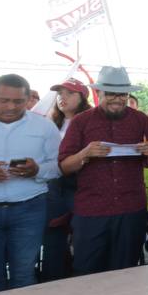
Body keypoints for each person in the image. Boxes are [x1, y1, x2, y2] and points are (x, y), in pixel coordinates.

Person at [58, 67, 148, 275]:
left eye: (122, 94)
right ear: (99, 94)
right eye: (111, 94)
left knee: (126, 271)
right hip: (91, 211)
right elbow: (64, 167)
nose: (117, 99)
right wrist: (85, 154)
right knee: (86, 271)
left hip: (131, 209)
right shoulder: (81, 121)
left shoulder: (140, 120)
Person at [0, 74, 61, 293]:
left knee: (24, 274)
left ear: (28, 100)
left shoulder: (45, 127)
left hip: (29, 208)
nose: (10, 106)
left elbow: (57, 167)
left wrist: (37, 170)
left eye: (18, 101)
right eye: (3, 100)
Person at [42, 78, 90, 281]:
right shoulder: (50, 124)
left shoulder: (90, 122)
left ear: (83, 97)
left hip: (81, 185)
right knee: (53, 233)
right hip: (54, 185)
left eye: (70, 93)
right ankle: (53, 279)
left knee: (82, 235)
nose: (63, 98)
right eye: (60, 93)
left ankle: (81, 278)